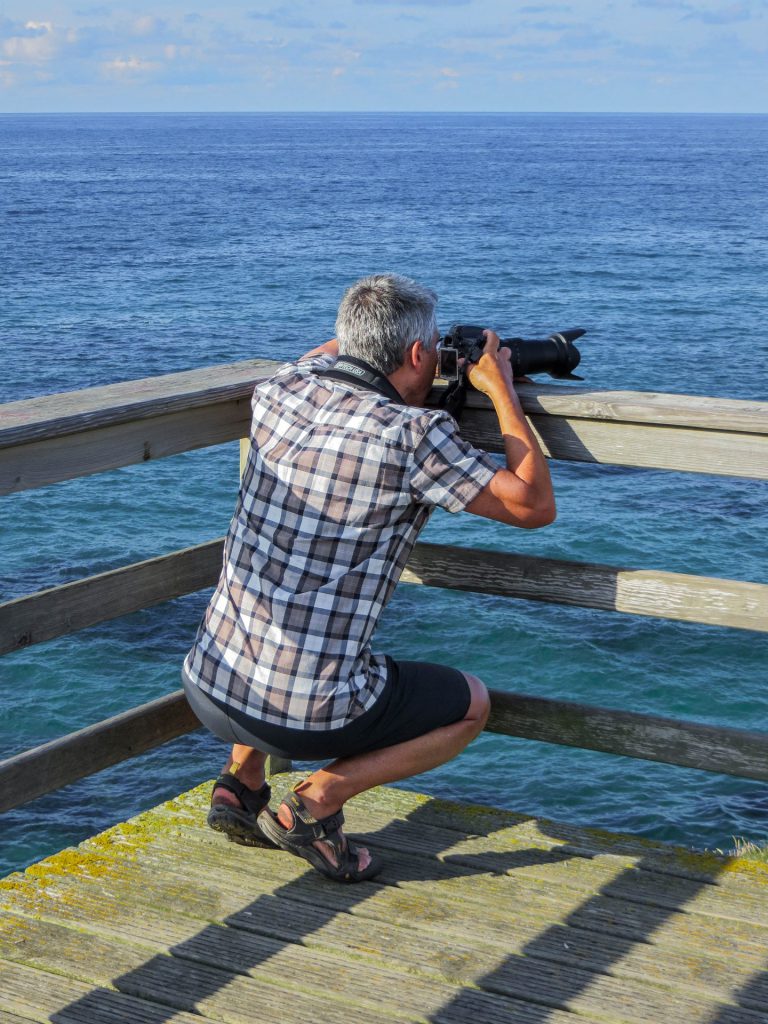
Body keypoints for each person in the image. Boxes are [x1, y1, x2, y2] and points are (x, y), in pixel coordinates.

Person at [182, 273, 555, 883]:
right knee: (471, 705)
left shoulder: (280, 388)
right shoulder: (413, 434)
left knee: (285, 618)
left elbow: (329, 356)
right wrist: (499, 385)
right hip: (300, 718)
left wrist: (371, 340)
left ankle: (240, 784)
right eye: (433, 346)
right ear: (416, 356)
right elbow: (533, 505)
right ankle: (315, 801)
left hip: (207, 684)